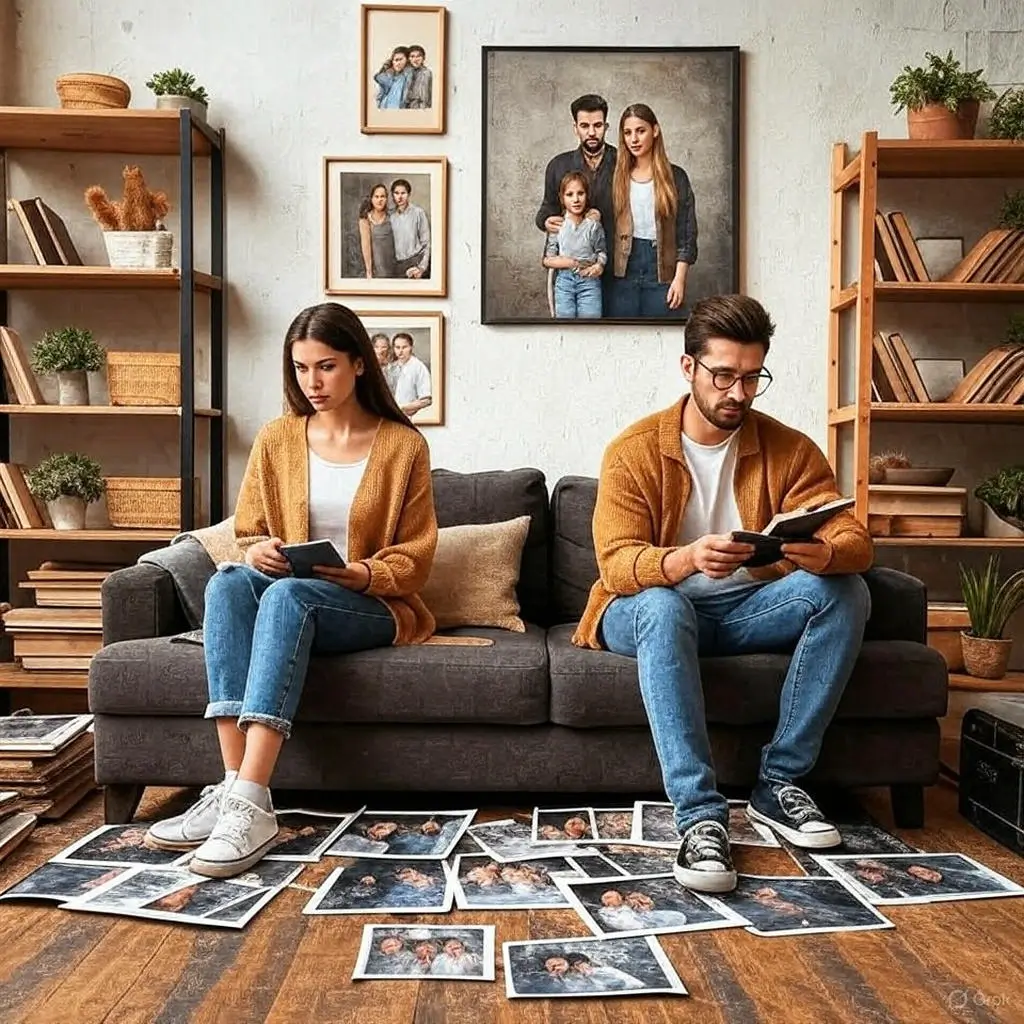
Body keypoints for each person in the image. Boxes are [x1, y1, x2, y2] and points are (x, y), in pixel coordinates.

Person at [572, 293, 873, 894]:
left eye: (752, 377)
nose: (738, 392)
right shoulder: (633, 452)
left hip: (741, 609)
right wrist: (684, 558)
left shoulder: (788, 448)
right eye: (724, 376)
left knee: (847, 592)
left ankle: (779, 784)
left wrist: (828, 552)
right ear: (689, 369)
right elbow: (616, 563)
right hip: (642, 610)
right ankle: (700, 818)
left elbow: (853, 535)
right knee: (663, 605)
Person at [145, 302, 439, 878]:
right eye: (302, 369)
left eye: (326, 367)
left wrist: (364, 573)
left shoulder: (404, 446)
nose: (313, 382)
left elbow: (418, 555)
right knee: (231, 581)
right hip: (295, 595)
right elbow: (249, 530)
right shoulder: (278, 439)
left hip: (373, 605)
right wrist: (255, 550)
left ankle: (250, 797)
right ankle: (237, 794)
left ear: (359, 364)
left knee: (286, 597)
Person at [605, 102, 698, 319]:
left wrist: (679, 278)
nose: (634, 139)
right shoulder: (616, 176)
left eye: (640, 131)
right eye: (627, 133)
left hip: (661, 269)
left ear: (655, 131)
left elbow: (687, 233)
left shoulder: (676, 177)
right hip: (622, 270)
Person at [542, 171, 607, 319]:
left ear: (587, 195)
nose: (576, 199)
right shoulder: (558, 225)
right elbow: (547, 259)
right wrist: (568, 262)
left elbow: (601, 251)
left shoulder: (593, 225)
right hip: (564, 282)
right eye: (570, 195)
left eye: (580, 193)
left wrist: (599, 266)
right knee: (565, 324)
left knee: (590, 322)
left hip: (589, 282)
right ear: (562, 198)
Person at [389, 179, 430, 279]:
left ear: (408, 194)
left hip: (415, 262)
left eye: (403, 193)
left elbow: (426, 243)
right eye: (396, 193)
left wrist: (422, 268)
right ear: (392, 195)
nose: (400, 197)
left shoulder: (418, 213)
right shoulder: (391, 216)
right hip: (397, 265)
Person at [357, 184, 397, 280]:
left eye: (383, 196)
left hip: (394, 268)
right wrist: (369, 271)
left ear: (387, 199)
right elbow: (366, 246)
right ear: (372, 199)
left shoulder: (392, 216)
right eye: (377, 197)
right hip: (377, 270)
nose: (380, 200)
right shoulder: (365, 220)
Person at [389, 332, 432, 417]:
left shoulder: (419, 367)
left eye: (404, 347)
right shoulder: (391, 368)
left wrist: (402, 408)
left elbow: (426, 400)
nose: (400, 351)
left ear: (411, 347)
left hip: (411, 417)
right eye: (397, 347)